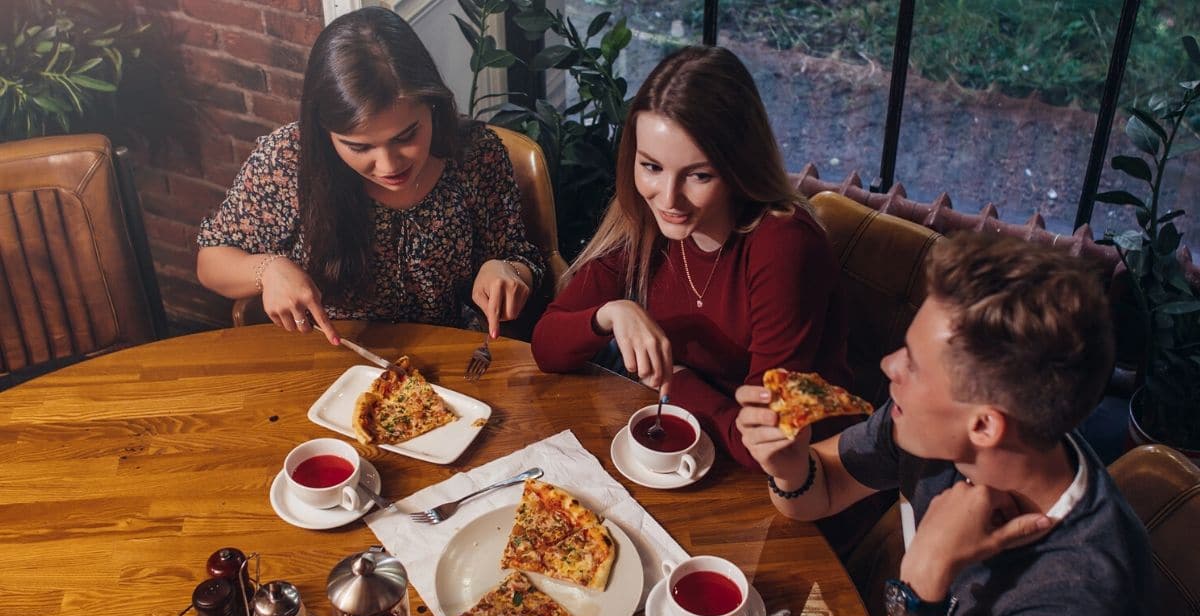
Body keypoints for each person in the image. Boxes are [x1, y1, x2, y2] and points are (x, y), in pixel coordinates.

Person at [737, 232, 1154, 616]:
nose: (888, 366)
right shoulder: (936, 433)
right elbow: (824, 486)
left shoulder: (1080, 599)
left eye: (913, 365)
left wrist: (924, 577)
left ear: (985, 425)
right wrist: (790, 467)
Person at [530, 45, 851, 469]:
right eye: (651, 167)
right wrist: (610, 313)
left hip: (804, 479)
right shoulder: (646, 222)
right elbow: (545, 346)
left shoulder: (784, 245)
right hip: (698, 443)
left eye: (699, 175)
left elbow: (765, 446)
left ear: (739, 167)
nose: (668, 199)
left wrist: (675, 381)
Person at [196, 7, 544, 345]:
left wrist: (507, 270)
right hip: (333, 358)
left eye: (407, 136)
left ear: (433, 106)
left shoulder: (475, 153)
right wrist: (268, 269)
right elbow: (211, 261)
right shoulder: (287, 158)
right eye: (360, 148)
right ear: (325, 132)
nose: (389, 165)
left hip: (452, 357)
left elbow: (521, 255)